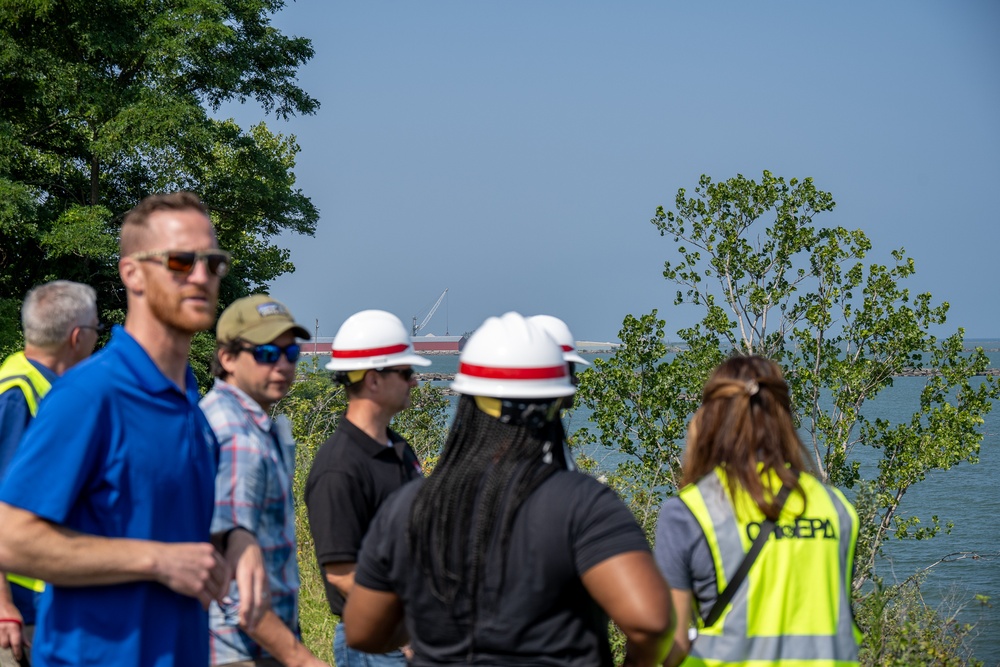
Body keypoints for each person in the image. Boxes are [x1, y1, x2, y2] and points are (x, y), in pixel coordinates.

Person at [0, 192, 267, 667]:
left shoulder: (190, 407)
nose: (202, 276)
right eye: (181, 261)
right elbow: (10, 538)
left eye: (213, 261)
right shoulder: (91, 394)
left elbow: (170, 532)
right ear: (132, 273)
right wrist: (157, 561)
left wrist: (234, 541)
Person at [343, 311, 675, 667]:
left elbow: (362, 632)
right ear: (558, 403)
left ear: (466, 402)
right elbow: (651, 623)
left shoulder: (410, 505)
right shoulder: (583, 504)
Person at [653, 356, 861, 667]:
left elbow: (671, 638)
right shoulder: (837, 507)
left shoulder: (690, 511)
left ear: (710, 417)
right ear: (783, 415)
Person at [203, 294, 329, 667]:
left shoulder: (249, 424)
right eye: (266, 354)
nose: (282, 366)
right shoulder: (235, 435)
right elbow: (233, 577)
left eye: (290, 354)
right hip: (240, 650)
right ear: (227, 358)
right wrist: (302, 660)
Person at [305, 309, 431, 667]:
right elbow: (343, 574)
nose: (415, 383)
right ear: (374, 380)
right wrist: (404, 632)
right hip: (378, 642)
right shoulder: (339, 467)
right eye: (406, 373)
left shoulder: (398, 448)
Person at [0, 280, 100, 667]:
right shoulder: (17, 394)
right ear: (77, 337)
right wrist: (4, 604)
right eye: (95, 330)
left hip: (48, 601)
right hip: (21, 610)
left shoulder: (42, 386)